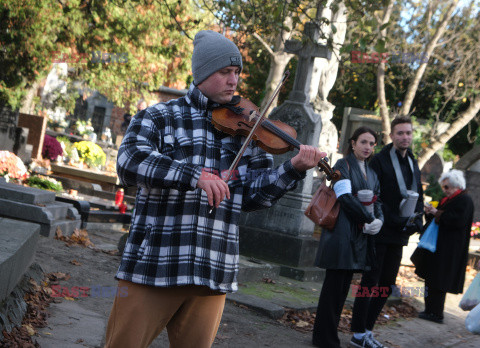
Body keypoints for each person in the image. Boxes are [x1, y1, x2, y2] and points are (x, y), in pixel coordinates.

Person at [104, 30, 325, 348]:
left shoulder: (248, 131)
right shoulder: (160, 117)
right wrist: (194, 175)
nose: (233, 80)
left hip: (212, 270)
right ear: (203, 73)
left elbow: (251, 196)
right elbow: (129, 161)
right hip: (155, 265)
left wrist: (292, 170)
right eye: (225, 72)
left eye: (236, 72)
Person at [350, 116, 424, 348]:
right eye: (400, 133)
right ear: (391, 136)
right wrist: (391, 219)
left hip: (400, 234)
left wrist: (417, 219)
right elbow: (374, 195)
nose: (405, 137)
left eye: (408, 133)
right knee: (370, 283)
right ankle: (357, 333)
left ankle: (368, 330)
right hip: (381, 231)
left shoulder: (412, 160)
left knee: (387, 284)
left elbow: (418, 193)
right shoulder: (380, 160)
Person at [312, 126, 383, 348]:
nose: (368, 147)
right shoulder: (344, 165)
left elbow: (378, 200)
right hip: (341, 234)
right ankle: (324, 339)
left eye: (372, 144)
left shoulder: (371, 172)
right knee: (333, 290)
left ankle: (327, 337)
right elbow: (344, 197)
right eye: (363, 142)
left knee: (342, 290)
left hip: (357, 237)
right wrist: (369, 220)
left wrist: (379, 220)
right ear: (352, 143)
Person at [411, 169, 474, 324]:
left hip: (450, 248)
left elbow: (457, 221)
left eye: (447, 187)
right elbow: (440, 217)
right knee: (431, 277)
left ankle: (436, 313)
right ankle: (429, 310)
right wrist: (431, 212)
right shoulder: (449, 199)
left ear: (455, 186)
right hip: (437, 245)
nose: (444, 190)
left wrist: (437, 213)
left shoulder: (464, 200)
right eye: (444, 187)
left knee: (440, 281)